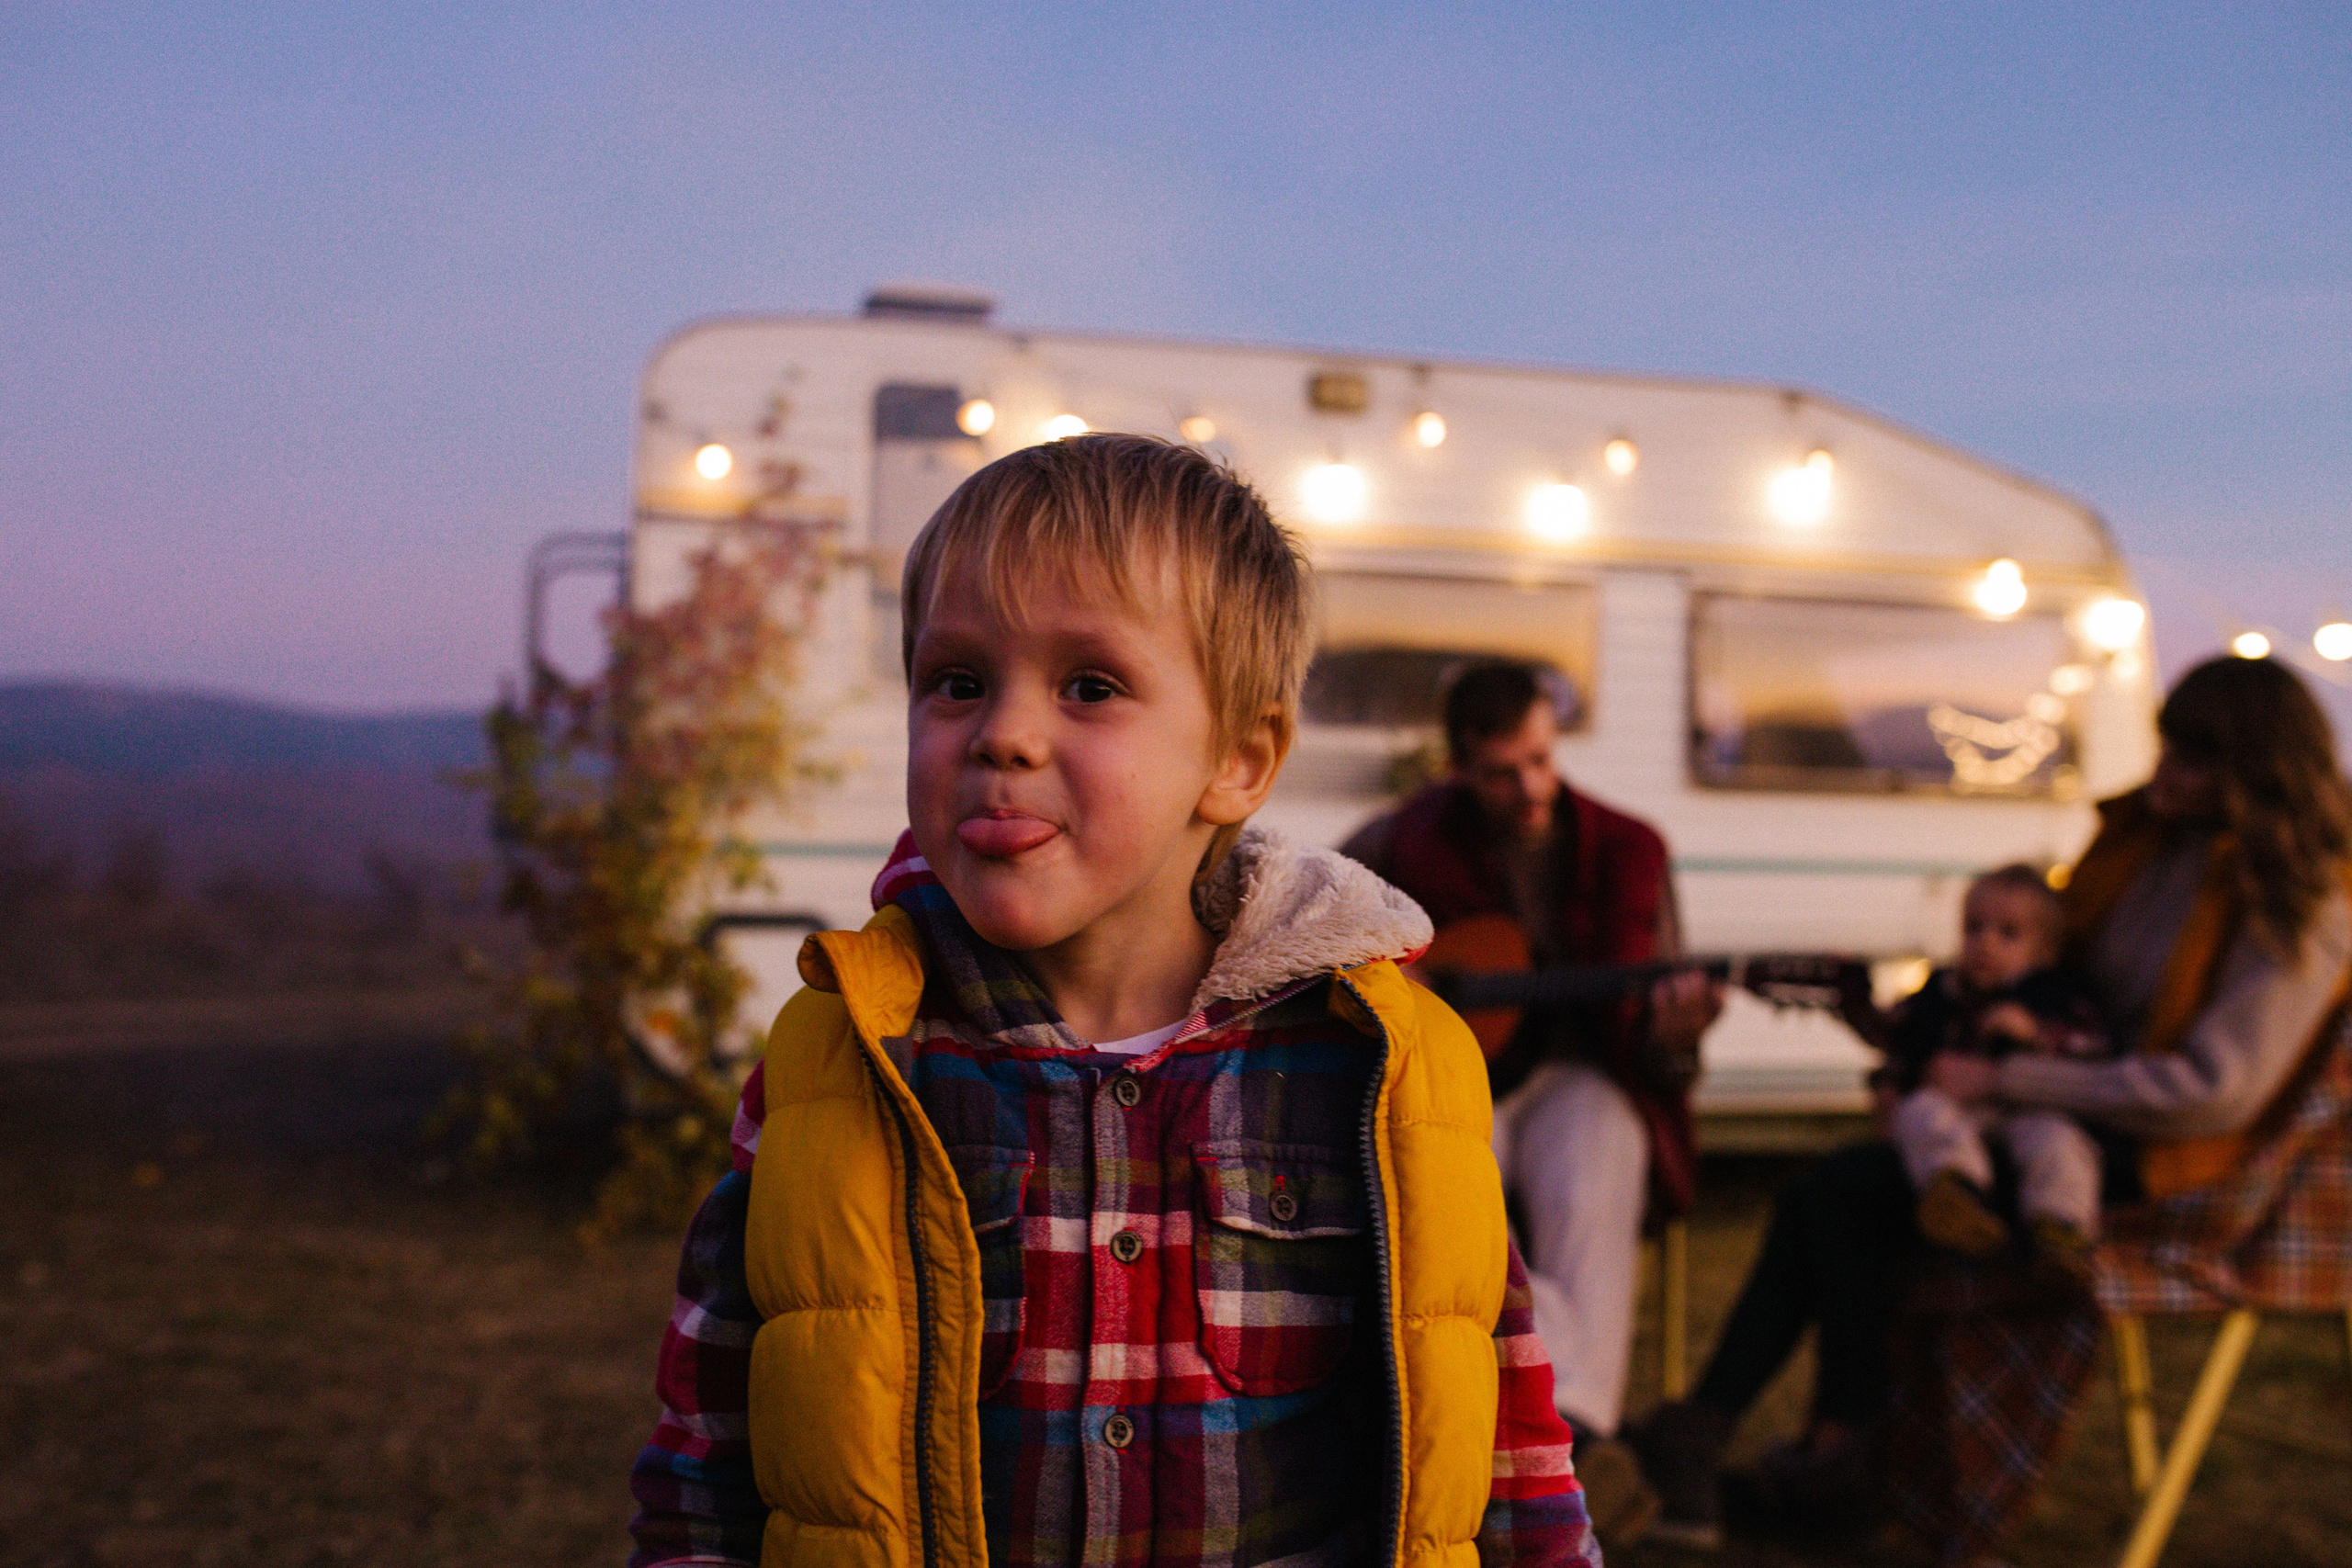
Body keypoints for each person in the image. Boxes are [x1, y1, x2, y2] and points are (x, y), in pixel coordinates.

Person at [627, 434, 1600, 1568]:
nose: (1003, 733)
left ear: (1236, 760)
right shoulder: (840, 1067)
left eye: (1089, 686)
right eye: (955, 681)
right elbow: (704, 1469)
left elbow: (1509, 1463)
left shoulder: (1383, 1074)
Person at [1632, 654, 2352, 1552]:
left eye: (2195, 758)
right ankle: (1805, 1457)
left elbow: (2211, 1093)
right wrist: (1906, 1030)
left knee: (1838, 1198)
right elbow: (2047, 996)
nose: (2165, 771)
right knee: (1845, 1198)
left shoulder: (2299, 902)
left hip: (2154, 1160)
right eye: (2170, 744)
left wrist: (2003, 1081)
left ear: (2257, 770)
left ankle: (1786, 1452)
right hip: (2062, 1104)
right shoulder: (2145, 849)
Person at [1342, 660, 1723, 1544]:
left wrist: (1675, 1035)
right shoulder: (1399, 842)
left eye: (1543, 761)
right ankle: (1575, 1444)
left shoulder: (1630, 849)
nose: (1531, 787)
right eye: (1504, 771)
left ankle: (1575, 1435)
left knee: (1601, 1161)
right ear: (1459, 766)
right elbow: (1338, 955)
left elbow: (1667, 1061)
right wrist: (1409, 990)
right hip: (1454, 1082)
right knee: (1454, 1195)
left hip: (1583, 1075)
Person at [1879, 863, 2114, 1282]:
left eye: (2008, 933)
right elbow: (1906, 1046)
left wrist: (2038, 1033)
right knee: (1923, 1111)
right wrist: (1891, 1085)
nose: (1985, 942)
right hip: (1961, 1114)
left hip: (2032, 1109)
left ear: (2045, 951)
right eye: (1974, 928)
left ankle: (2061, 1229)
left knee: (2060, 1143)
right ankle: (1955, 1194)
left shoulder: (2058, 991)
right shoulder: (1942, 991)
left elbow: (2095, 1046)